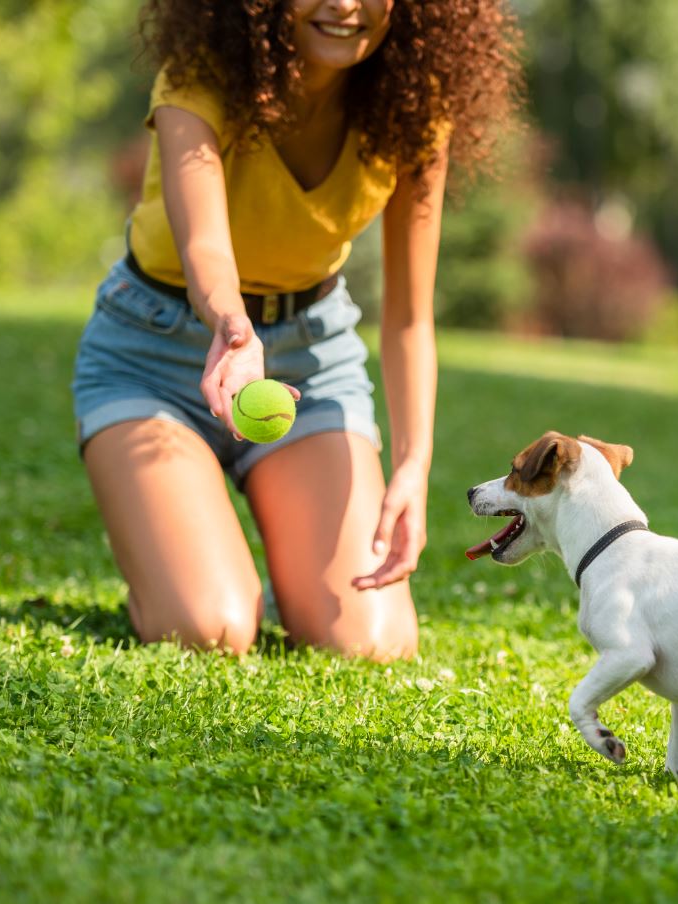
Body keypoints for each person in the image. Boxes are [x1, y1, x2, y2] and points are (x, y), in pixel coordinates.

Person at [71, 0, 521, 659]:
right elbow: (207, 253)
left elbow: (409, 315)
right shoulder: (199, 74)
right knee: (209, 627)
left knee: (374, 642)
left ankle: (278, 577)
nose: (344, 4)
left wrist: (412, 466)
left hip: (311, 362)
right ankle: (174, 570)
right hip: (153, 353)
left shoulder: (414, 105)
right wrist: (233, 329)